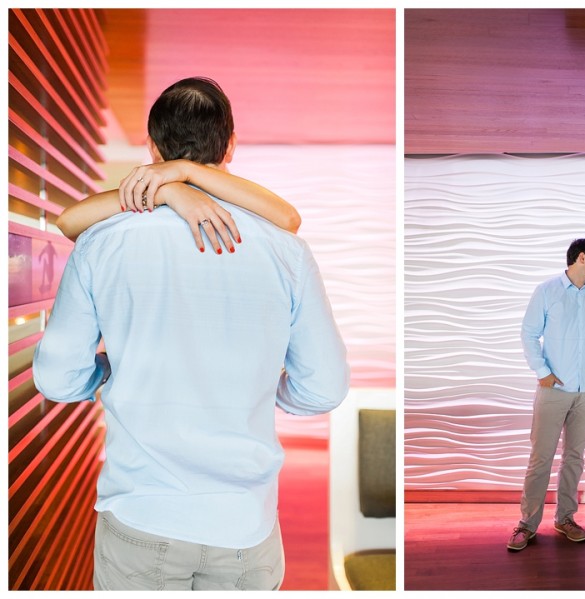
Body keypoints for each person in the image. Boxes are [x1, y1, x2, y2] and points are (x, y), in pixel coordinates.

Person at [32, 77, 350, 590]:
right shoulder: (286, 251)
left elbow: (57, 379)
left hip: (141, 514)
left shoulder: (101, 242)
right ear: (230, 146)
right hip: (244, 523)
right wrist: (260, 386)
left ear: (151, 148)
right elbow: (324, 388)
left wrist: (108, 373)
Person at [508, 238, 585, 551]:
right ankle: (527, 524)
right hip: (553, 389)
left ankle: (565, 518)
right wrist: (542, 372)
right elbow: (529, 333)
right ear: (581, 258)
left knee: (574, 458)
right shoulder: (547, 291)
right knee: (541, 458)